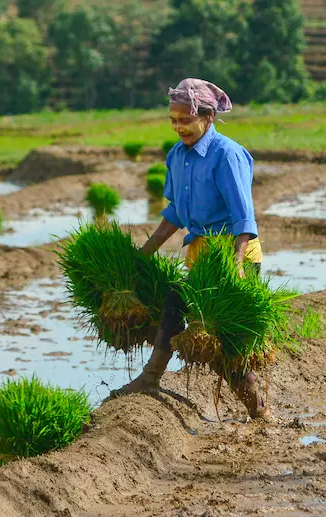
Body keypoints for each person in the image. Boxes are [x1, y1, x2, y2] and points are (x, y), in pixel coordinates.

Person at [116, 78, 269, 419]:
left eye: (185, 120)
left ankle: (259, 411)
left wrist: (236, 264)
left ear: (208, 116)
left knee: (223, 336)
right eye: (173, 120)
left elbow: (244, 217)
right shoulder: (176, 156)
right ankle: (150, 378)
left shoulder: (226, 155)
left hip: (234, 252)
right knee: (176, 305)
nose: (178, 127)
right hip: (201, 251)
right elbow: (174, 214)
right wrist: (143, 254)